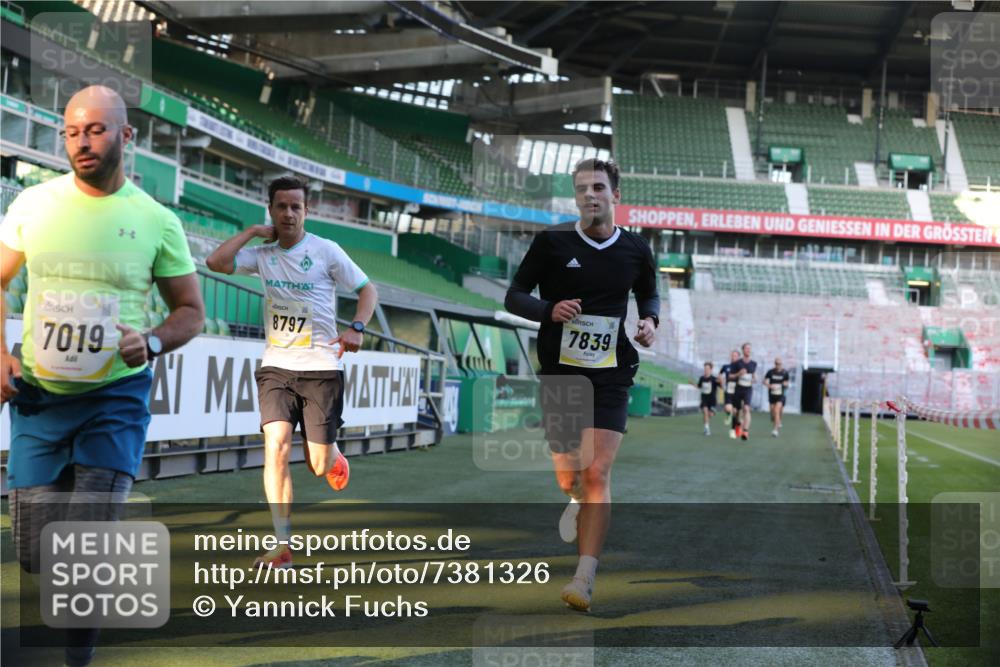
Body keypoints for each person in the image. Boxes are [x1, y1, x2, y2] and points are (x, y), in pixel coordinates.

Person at [0, 85, 204, 667]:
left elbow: (191, 311)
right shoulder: (32, 205)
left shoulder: (157, 220)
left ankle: (78, 656)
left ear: (125, 136)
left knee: (85, 543)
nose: (81, 142)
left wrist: (155, 339)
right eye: (71, 132)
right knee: (37, 553)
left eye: (95, 130)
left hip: (115, 397)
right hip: (39, 397)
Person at [504, 158, 659, 612]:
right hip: (561, 372)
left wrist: (650, 320)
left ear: (615, 195)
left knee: (597, 473)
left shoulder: (636, 249)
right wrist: (548, 310)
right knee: (570, 475)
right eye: (581, 188)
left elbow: (648, 292)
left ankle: (584, 577)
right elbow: (514, 294)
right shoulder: (552, 242)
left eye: (598, 187)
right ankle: (575, 498)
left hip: (612, 373)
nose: (589, 194)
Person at [206, 175, 378, 569]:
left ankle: (333, 454)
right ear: (270, 210)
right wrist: (251, 232)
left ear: (306, 211)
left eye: (295, 207)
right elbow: (215, 262)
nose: (288, 213)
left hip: (321, 367)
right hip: (277, 366)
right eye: (281, 206)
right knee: (277, 445)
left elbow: (368, 290)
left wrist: (357, 328)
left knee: (318, 465)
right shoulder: (263, 254)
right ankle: (282, 544)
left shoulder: (326, 251)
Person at [732, 342, 757, 441]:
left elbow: (754, 375)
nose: (748, 350)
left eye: (749, 348)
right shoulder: (737, 363)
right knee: (737, 412)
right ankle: (738, 424)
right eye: (746, 348)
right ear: (743, 350)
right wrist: (739, 373)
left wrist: (754, 379)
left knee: (746, 408)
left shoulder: (753, 363)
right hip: (738, 389)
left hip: (748, 389)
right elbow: (731, 376)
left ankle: (745, 431)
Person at [763, 357, 791, 437]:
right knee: (772, 413)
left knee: (777, 410)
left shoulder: (785, 372)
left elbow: (787, 382)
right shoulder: (770, 372)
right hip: (772, 395)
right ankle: (776, 420)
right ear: (774, 364)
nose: (778, 365)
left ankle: (775, 430)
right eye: (776, 364)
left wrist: (785, 384)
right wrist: (769, 385)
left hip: (781, 395)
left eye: (779, 364)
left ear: (781, 364)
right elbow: (764, 381)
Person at [719, 349, 740, 437]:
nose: (733, 357)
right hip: (728, 391)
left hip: (738, 391)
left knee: (736, 412)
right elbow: (720, 374)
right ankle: (728, 415)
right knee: (728, 408)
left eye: (735, 356)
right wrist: (721, 382)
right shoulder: (726, 366)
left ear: (738, 357)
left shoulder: (741, 367)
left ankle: (733, 430)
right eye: (732, 355)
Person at [696, 362, 718, 436]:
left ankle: (712, 412)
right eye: (705, 369)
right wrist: (693, 384)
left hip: (712, 400)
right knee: (705, 412)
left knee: (709, 415)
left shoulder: (714, 379)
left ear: (711, 370)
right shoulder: (701, 378)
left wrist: (721, 380)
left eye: (708, 369)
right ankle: (706, 429)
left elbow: (721, 386)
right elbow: (699, 386)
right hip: (704, 399)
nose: (706, 370)